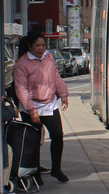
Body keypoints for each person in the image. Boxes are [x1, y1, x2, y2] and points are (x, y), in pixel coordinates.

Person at [13, 30, 70, 182]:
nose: (41, 48)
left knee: (57, 135)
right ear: (30, 46)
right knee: (34, 141)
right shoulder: (22, 64)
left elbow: (55, 77)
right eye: (37, 45)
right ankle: (35, 171)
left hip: (49, 104)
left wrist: (63, 94)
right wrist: (32, 110)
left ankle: (56, 169)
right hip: (31, 106)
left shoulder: (48, 57)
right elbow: (21, 89)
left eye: (43, 45)